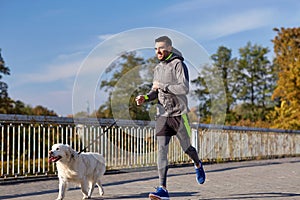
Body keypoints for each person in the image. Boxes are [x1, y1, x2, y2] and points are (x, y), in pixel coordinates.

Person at [135, 36, 206, 200]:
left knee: (187, 148)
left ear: (169, 48)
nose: (157, 51)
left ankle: (197, 164)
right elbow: (155, 91)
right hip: (162, 115)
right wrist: (145, 98)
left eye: (161, 48)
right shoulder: (158, 68)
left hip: (179, 114)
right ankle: (163, 188)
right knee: (161, 151)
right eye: (155, 49)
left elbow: (184, 88)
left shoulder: (178, 64)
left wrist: (163, 86)